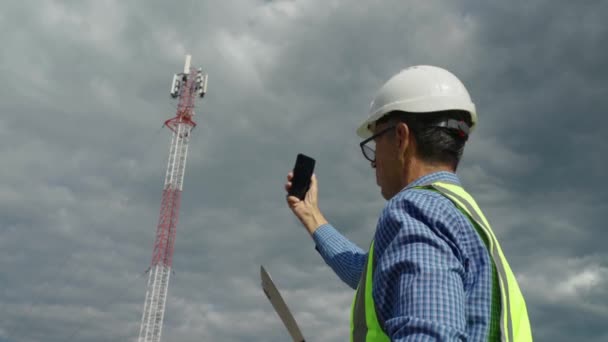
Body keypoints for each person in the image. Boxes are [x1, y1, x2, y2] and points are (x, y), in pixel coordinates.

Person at [285, 65, 532, 341]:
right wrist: (311, 216)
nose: (374, 161)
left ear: (400, 138)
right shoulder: (461, 215)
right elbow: (371, 274)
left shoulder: (418, 210)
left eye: (374, 143)